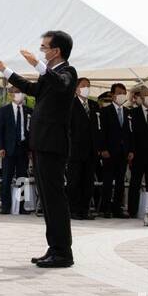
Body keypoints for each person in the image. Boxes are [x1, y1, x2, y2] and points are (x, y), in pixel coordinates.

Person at [0, 29, 78, 268]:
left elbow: (60, 85)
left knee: (55, 198)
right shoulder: (49, 75)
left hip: (53, 144)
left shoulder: (67, 72)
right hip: (41, 143)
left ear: (56, 50)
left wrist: (38, 64)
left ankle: (63, 252)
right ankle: (54, 248)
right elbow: (32, 90)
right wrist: (5, 71)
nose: (42, 51)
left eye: (44, 48)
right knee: (48, 199)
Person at [66, 78, 100, 220]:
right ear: (76, 88)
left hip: (91, 150)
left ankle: (85, 209)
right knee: (74, 181)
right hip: (75, 150)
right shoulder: (70, 105)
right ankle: (73, 209)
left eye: (88, 86)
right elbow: (68, 128)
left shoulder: (93, 105)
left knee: (88, 182)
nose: (86, 88)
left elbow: (98, 128)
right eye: (83, 86)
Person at [97, 82, 132, 217]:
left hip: (123, 152)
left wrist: (131, 150)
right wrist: (103, 149)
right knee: (107, 181)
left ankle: (117, 208)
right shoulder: (105, 111)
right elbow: (102, 132)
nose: (121, 96)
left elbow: (130, 133)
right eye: (119, 93)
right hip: (109, 152)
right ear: (112, 95)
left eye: (124, 93)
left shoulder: (128, 112)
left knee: (120, 181)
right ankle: (105, 208)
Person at [0, 86, 32, 214]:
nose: (18, 94)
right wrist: (0, 147)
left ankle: (22, 207)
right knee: (7, 178)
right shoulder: (4, 110)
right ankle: (6, 206)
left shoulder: (29, 110)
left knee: (23, 178)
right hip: (9, 148)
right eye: (16, 92)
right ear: (10, 94)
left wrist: (31, 148)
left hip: (23, 147)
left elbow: (31, 131)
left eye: (20, 91)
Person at [127, 84, 148, 218]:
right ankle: (132, 210)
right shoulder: (133, 113)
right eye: (146, 95)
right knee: (135, 182)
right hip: (138, 154)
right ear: (140, 97)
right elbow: (130, 134)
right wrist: (131, 151)